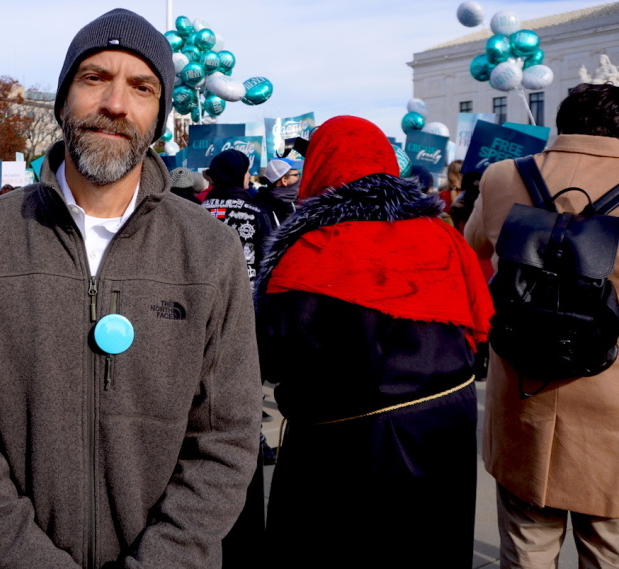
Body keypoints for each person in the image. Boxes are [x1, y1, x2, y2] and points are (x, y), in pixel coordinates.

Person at [0, 8, 261, 569]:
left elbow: (227, 437)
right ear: (62, 101)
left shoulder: (209, 251)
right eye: (94, 78)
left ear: (159, 117)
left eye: (142, 87)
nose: (116, 104)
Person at [256, 116, 494, 568]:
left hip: (351, 442)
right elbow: (477, 324)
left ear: (320, 168)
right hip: (447, 425)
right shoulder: (443, 233)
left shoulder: (314, 247)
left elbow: (277, 351)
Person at [464, 82, 619, 568]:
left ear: (561, 122)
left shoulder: (501, 176)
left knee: (527, 545)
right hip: (611, 403)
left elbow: (471, 256)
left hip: (525, 389)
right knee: (608, 550)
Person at [201, 150, 273, 288]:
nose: (249, 175)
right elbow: (267, 259)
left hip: (205, 292)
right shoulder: (255, 214)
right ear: (237, 173)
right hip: (244, 294)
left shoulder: (198, 211)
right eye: (246, 171)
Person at [252, 159, 300, 227]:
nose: (300, 178)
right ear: (284, 180)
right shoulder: (262, 208)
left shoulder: (300, 201)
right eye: (296, 175)